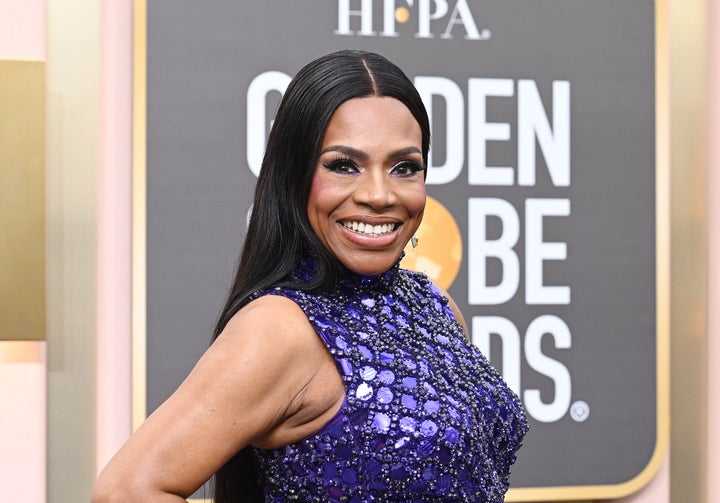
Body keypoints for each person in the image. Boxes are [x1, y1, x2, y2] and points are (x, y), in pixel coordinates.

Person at [92, 49, 528, 503]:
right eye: (344, 166)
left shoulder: (436, 305)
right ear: (294, 177)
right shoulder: (280, 328)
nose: (379, 195)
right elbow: (126, 491)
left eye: (404, 168)